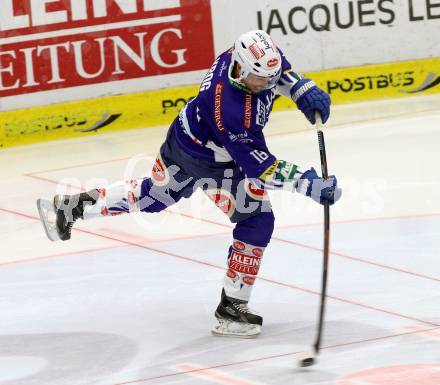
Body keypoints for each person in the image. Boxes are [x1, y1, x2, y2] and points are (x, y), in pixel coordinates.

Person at [37, 30, 341, 338]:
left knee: (151, 196)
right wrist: (308, 183)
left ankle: (72, 207)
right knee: (256, 219)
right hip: (213, 162)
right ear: (243, 70)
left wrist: (302, 88)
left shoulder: (241, 57)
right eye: (263, 80)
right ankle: (232, 308)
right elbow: (262, 168)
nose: (270, 85)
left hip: (183, 138)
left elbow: (279, 70)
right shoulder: (232, 111)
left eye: (271, 78)